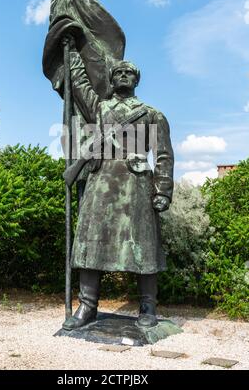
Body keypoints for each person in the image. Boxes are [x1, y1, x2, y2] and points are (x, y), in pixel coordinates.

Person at [63, 44, 174, 331]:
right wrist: (73, 53)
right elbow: (79, 84)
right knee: (91, 242)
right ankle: (87, 306)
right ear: (112, 80)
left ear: (136, 80)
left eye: (129, 73)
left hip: (135, 183)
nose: (124, 76)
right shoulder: (100, 108)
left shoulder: (152, 114)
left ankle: (148, 306)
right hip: (101, 181)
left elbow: (163, 156)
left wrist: (162, 191)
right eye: (119, 72)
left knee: (143, 246)